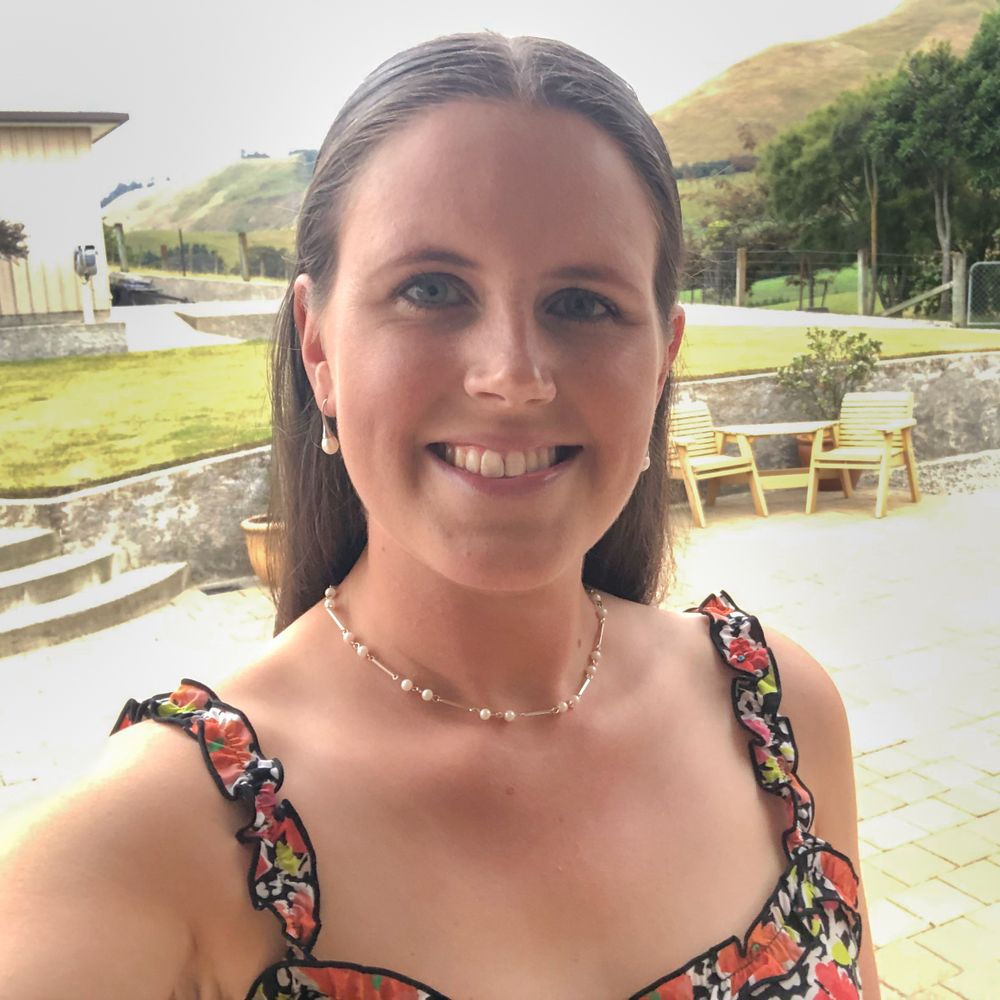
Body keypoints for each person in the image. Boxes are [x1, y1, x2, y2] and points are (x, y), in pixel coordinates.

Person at [0, 33, 878, 1000]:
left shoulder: (779, 719)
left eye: (583, 303)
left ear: (663, 359)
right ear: (319, 348)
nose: (513, 377)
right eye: (430, 290)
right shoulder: (154, 840)